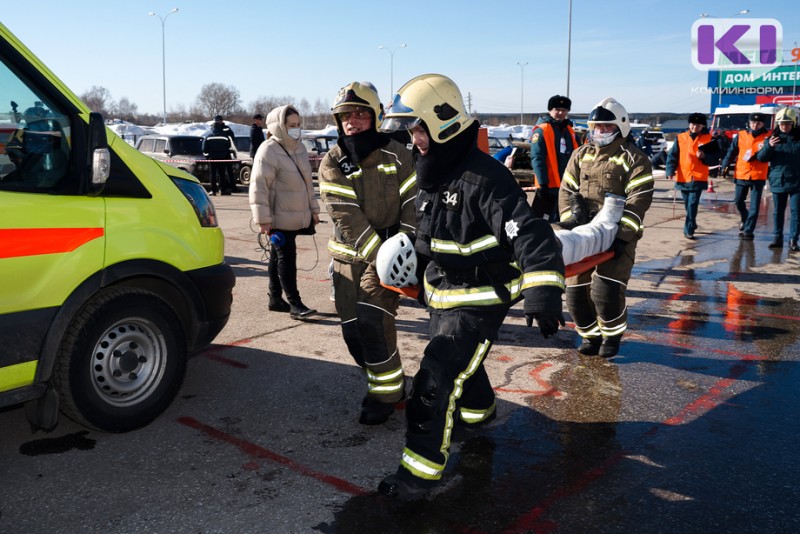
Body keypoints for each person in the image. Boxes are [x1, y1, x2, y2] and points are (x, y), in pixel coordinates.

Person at [376, 73, 566, 500]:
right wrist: (413, 267)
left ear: (442, 124)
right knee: (462, 363)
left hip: (479, 298)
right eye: (409, 129)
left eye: (418, 128)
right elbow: (432, 235)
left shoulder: (486, 180)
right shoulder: (435, 173)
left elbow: (532, 234)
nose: (413, 138)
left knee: (435, 377)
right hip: (443, 293)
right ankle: (479, 413)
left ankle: (417, 477)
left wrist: (543, 292)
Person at [318, 81, 418, 426]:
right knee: (354, 335)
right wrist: (379, 252)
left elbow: (412, 205)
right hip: (348, 261)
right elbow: (345, 214)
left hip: (389, 259)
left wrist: (402, 249)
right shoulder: (332, 160)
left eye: (361, 114)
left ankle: (387, 395)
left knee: (373, 321)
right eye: (345, 115)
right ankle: (384, 379)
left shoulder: (398, 153)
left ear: (375, 117)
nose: (352, 121)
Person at [558, 97, 654, 358]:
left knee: (605, 290)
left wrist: (623, 235)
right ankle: (589, 336)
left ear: (620, 128)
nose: (599, 132)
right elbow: (566, 190)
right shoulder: (581, 155)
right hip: (585, 235)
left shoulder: (635, 158)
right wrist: (571, 218)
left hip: (617, 235)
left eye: (606, 127)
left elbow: (639, 198)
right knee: (576, 293)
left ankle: (611, 337)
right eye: (596, 127)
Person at [249, 104, 319, 319]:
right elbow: (259, 186)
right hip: (278, 218)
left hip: (296, 215)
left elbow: (308, 183)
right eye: (291, 125)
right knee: (287, 258)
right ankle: (295, 303)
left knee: (277, 257)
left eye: (298, 125)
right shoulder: (268, 149)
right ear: (279, 126)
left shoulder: (299, 148)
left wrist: (314, 210)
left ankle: (274, 298)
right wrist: (263, 220)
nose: (296, 129)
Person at [665, 113, 718, 239]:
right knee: (687, 204)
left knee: (692, 204)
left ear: (702, 126)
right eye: (693, 125)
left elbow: (715, 159)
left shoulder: (709, 139)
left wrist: (705, 156)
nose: (695, 127)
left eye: (698, 125)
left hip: (699, 177)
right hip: (683, 176)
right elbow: (673, 156)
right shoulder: (680, 137)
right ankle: (692, 223)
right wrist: (670, 171)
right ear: (689, 124)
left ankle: (688, 230)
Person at [721, 112, 770, 240]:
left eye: (758, 123)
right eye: (753, 122)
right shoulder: (741, 136)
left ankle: (749, 230)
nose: (755, 125)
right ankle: (744, 216)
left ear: (763, 124)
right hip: (742, 173)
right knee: (738, 201)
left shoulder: (767, 137)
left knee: (754, 205)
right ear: (749, 123)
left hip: (758, 175)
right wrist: (725, 165)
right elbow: (732, 151)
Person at [529, 95, 579, 221]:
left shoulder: (570, 131)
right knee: (545, 221)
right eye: (557, 109)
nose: (561, 113)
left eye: (564, 110)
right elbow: (537, 158)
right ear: (550, 110)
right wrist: (542, 184)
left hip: (568, 184)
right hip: (549, 186)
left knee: (564, 219)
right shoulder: (542, 131)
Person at [756, 107, 800, 251]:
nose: (784, 126)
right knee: (778, 211)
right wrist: (769, 146)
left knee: (796, 212)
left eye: (787, 123)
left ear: (793, 123)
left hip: (797, 181)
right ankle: (777, 238)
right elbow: (761, 158)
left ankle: (793, 239)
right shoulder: (772, 139)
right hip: (778, 180)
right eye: (781, 124)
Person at [203, 115, 236, 195]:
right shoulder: (224, 137)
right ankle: (223, 190)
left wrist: (207, 156)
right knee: (222, 174)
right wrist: (224, 153)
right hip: (222, 158)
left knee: (213, 175)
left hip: (212, 158)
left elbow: (204, 149)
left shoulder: (208, 137)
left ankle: (213, 191)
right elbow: (228, 145)